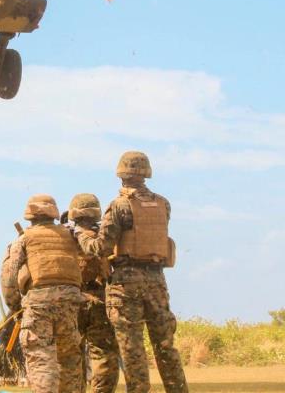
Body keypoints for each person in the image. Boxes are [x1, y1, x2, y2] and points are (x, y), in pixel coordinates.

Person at [78, 152, 188, 393]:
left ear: (121, 174)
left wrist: (81, 235)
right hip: (157, 281)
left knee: (132, 347)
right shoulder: (163, 204)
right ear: (146, 172)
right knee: (166, 344)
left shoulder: (119, 206)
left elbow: (100, 248)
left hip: (126, 283)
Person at [1, 194, 84, 393]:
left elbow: (9, 277)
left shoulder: (24, 239)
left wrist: (14, 306)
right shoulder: (70, 235)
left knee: (41, 359)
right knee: (69, 358)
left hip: (38, 304)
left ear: (30, 215)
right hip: (70, 303)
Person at [66, 194, 120, 393]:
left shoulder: (64, 235)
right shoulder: (107, 237)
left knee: (71, 354)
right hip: (100, 300)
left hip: (72, 300)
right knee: (105, 354)